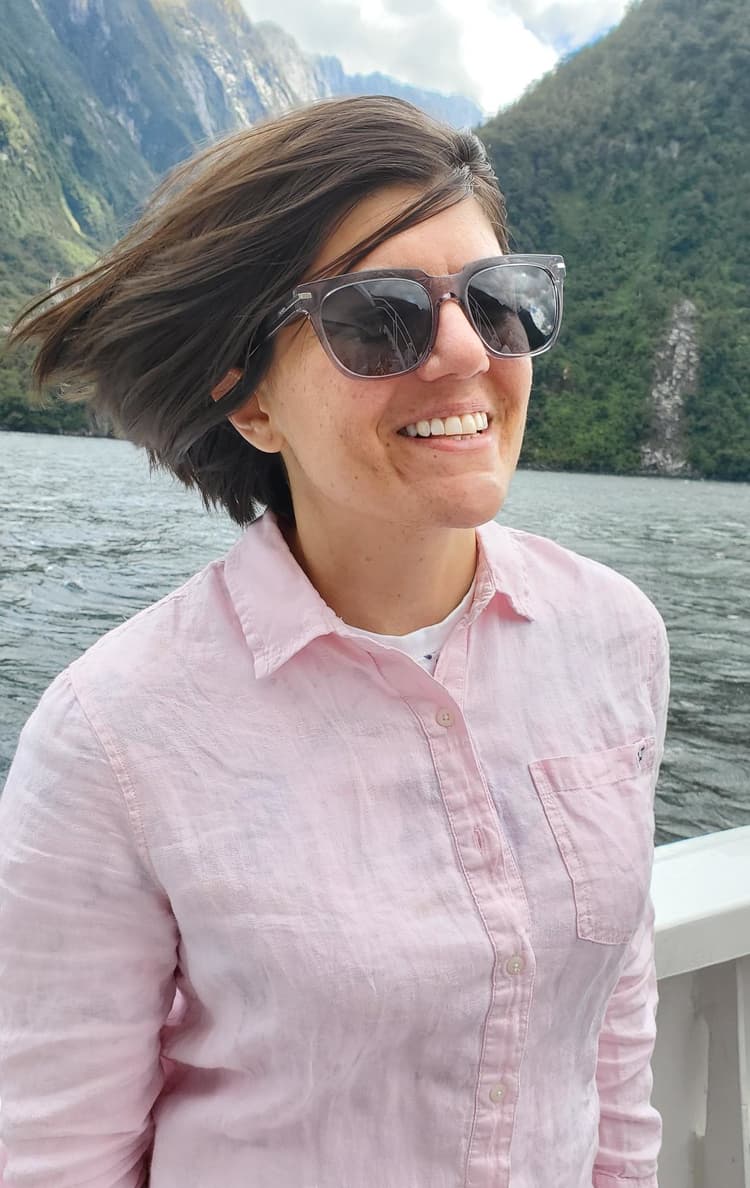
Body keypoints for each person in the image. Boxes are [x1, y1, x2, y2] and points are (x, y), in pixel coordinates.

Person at [0, 95, 669, 1188]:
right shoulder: (112, 738)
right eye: (377, 317)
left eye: (501, 303)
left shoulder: (614, 640)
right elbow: (57, 1159)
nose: (465, 352)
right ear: (252, 404)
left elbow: (615, 1037)